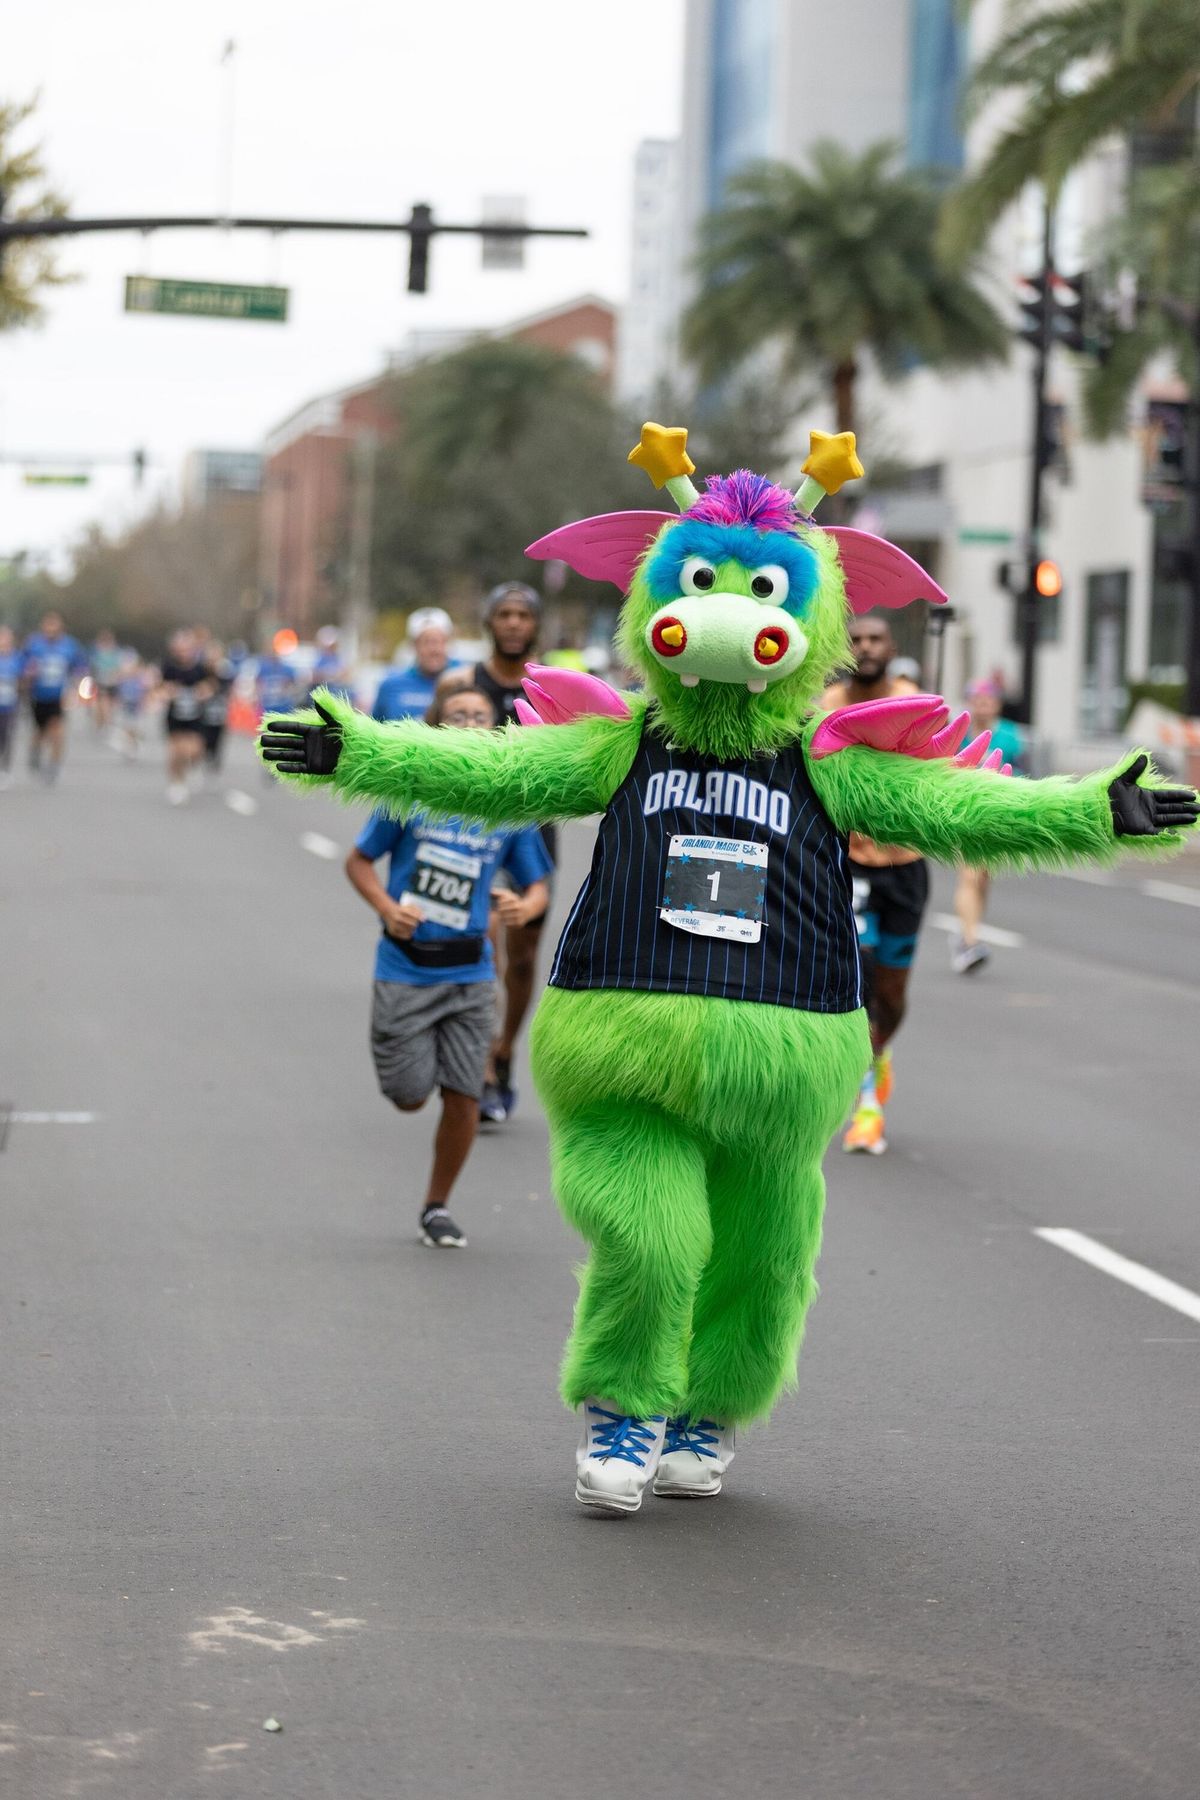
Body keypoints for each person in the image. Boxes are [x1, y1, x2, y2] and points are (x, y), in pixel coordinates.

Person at [261, 422, 1197, 1516]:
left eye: (760, 592)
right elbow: (493, 768)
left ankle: (709, 1410)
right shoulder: (622, 745)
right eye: (700, 584)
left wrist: (1096, 808)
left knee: (763, 1254)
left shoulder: (833, 764)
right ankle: (624, 1410)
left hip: (783, 1049)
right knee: (653, 1240)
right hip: (625, 1039)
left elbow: (962, 805)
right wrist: (359, 751)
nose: (723, 612)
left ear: (810, 621)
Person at [343, 682, 551, 1248]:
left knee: (464, 1095)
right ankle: (425, 1063)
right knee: (410, 1095)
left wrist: (521, 905)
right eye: (455, 715)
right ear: (437, 725)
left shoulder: (508, 808)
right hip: (406, 967)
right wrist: (388, 908)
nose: (467, 723)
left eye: (478, 715)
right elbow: (359, 861)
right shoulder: (410, 795)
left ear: (495, 727)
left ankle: (437, 1206)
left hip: (471, 973)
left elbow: (538, 886)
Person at [822, 611, 926, 1156]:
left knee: (892, 993)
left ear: (891, 645)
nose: (865, 646)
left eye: (875, 638)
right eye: (856, 639)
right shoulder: (825, 708)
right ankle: (867, 1102)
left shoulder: (914, 702)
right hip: (848, 866)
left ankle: (879, 1053)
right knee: (859, 986)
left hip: (906, 867)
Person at [471, 583, 555, 1121]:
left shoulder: (552, 687)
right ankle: (478, 1064)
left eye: (523, 615)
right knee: (483, 946)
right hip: (476, 831)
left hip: (533, 832)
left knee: (522, 957)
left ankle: (504, 1048)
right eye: (503, 614)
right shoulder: (464, 684)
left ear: (535, 625)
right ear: (489, 622)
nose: (513, 623)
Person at [951, 678, 1028, 974]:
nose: (983, 705)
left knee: (983, 878)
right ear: (969, 701)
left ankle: (965, 933)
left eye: (988, 700)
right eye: (977, 700)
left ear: (996, 704)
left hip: (998, 815)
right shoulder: (959, 732)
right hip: (965, 813)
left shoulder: (1009, 735)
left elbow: (1022, 771)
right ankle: (970, 942)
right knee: (969, 874)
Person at [20, 611, 85, 783]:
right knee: (40, 732)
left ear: (60, 627)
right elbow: (22, 665)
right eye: (48, 625)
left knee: (57, 730)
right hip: (38, 696)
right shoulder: (34, 644)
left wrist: (79, 685)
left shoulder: (69, 646)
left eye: (54, 625)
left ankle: (54, 764)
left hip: (58, 696)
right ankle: (35, 751)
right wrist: (27, 674)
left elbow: (80, 667)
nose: (51, 629)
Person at [372, 608, 456, 722]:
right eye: (426, 642)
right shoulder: (390, 685)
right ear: (413, 645)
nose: (434, 650)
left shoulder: (464, 680)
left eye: (439, 642)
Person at [159, 629, 213, 803]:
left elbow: (211, 686)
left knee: (193, 750)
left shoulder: (200, 668)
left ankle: (193, 767)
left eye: (187, 649)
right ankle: (176, 783)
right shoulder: (168, 667)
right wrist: (167, 692)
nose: (183, 653)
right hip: (175, 716)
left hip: (195, 716)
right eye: (180, 649)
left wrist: (203, 692)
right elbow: (158, 687)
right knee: (176, 751)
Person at [201, 642, 236, 777]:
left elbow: (228, 688)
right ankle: (205, 759)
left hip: (220, 712)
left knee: (217, 741)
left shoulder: (225, 670)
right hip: (204, 713)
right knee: (204, 740)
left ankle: (214, 764)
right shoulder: (202, 670)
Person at [90, 629, 123, 733]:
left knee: (108, 704)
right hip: (101, 682)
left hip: (111, 682)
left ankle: (106, 722)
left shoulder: (115, 652)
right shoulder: (97, 652)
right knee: (102, 703)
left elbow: (118, 668)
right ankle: (103, 723)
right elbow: (94, 667)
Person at [0, 624, 20, 786]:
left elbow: (23, 680)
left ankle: (5, 769)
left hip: (10, 705)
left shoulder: (17, 658)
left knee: (7, 738)